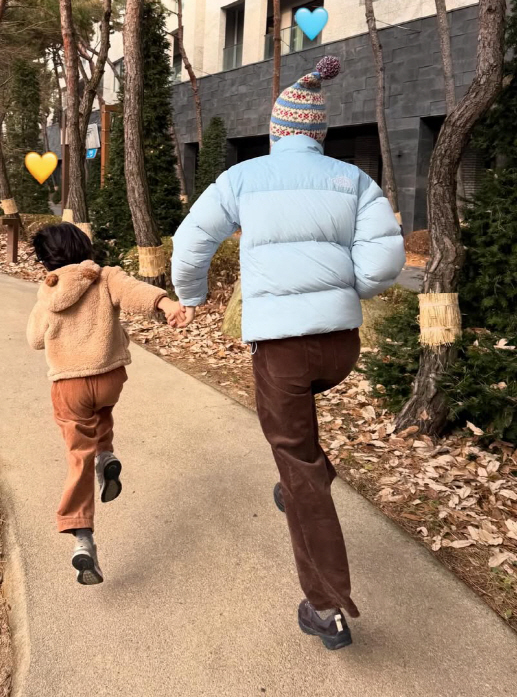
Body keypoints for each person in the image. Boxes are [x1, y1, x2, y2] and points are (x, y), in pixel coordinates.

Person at [171, 56, 405, 650]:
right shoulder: (354, 179)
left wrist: (192, 296)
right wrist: (343, 287)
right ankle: (304, 475)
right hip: (340, 348)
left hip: (283, 351)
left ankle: (326, 605)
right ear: (319, 135)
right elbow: (382, 266)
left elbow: (191, 242)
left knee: (296, 459)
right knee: (298, 447)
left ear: (278, 133)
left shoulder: (242, 179)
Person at [27, 222, 184, 585]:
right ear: (85, 246)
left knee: (76, 452)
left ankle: (81, 536)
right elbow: (136, 292)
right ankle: (107, 457)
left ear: (45, 261)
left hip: (69, 383)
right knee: (101, 412)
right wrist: (166, 303)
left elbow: (35, 340)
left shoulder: (49, 292)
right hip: (110, 377)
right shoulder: (105, 276)